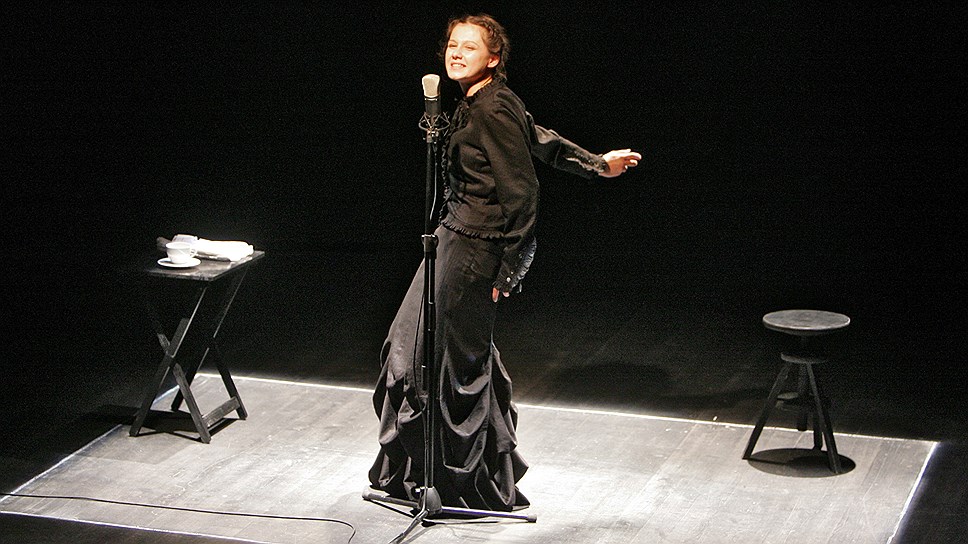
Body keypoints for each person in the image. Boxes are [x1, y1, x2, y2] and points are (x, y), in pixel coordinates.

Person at [369, 13, 641, 512]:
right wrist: (597, 164)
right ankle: (424, 475)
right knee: (415, 350)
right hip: (451, 238)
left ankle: (461, 483)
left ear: (493, 58)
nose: (456, 53)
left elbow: (523, 193)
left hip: (476, 248)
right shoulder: (481, 101)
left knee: (442, 361)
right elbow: (541, 138)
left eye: (469, 47)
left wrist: (511, 268)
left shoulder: (493, 107)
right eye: (452, 45)